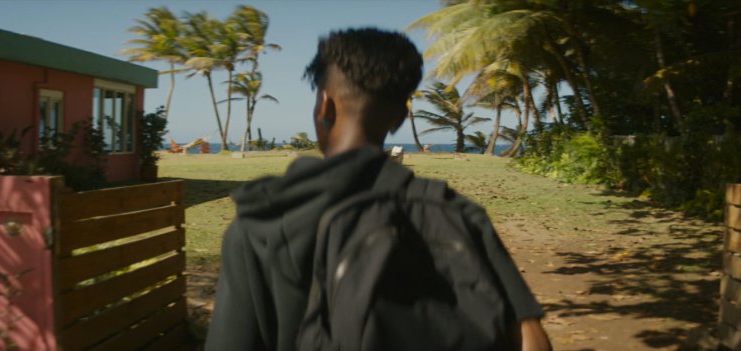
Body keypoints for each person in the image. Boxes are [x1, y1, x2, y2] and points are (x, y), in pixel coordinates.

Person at [206, 28, 551, 351]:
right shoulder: (456, 212)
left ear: (325, 107)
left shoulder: (259, 225)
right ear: (400, 117)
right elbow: (532, 338)